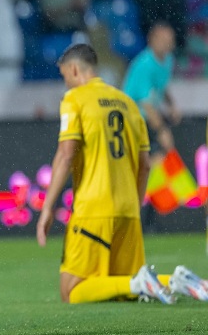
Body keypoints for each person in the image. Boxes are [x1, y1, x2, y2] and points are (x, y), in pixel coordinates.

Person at [36, 43, 208, 304]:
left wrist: (48, 207)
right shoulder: (128, 104)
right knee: (123, 287)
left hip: (93, 209)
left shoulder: (75, 99)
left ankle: (144, 282)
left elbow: (66, 153)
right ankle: (174, 281)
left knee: (71, 291)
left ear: (73, 70)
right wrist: (134, 207)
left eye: (64, 77)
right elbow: (145, 165)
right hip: (128, 209)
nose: (66, 84)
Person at [122, 23, 180, 158]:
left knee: (160, 157)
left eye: (170, 41)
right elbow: (146, 104)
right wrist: (162, 131)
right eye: (163, 40)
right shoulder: (144, 65)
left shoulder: (168, 60)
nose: (167, 44)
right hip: (132, 121)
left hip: (147, 119)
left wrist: (171, 105)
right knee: (155, 158)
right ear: (152, 40)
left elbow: (161, 85)